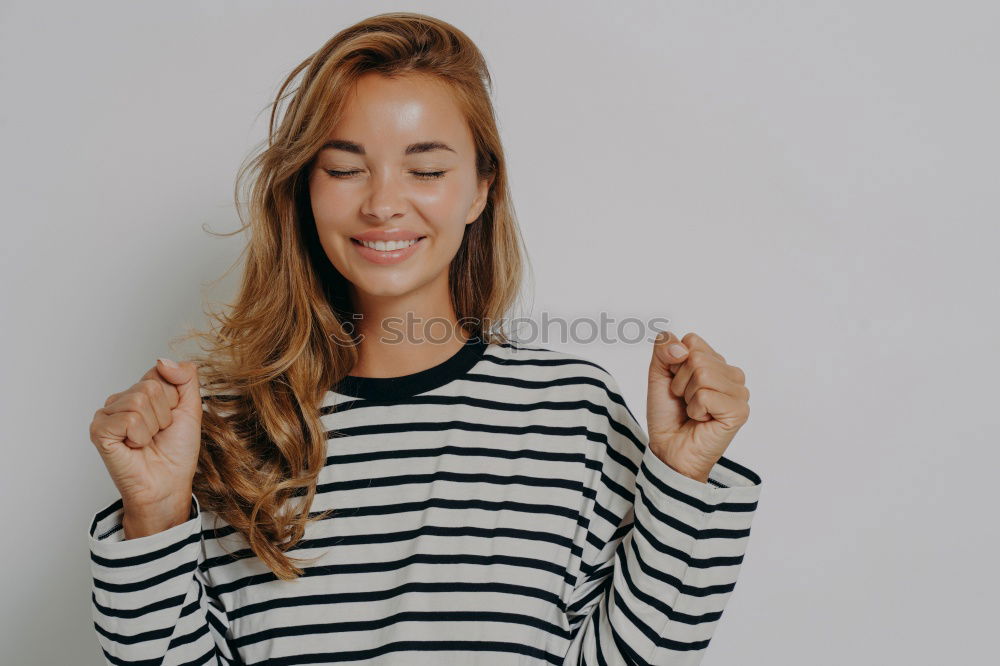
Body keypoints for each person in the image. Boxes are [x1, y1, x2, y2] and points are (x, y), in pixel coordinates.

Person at [86, 11, 762, 666]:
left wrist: (681, 476)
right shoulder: (224, 426)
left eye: (427, 169)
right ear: (303, 189)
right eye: (345, 167)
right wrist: (155, 512)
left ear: (479, 191)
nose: (382, 203)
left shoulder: (571, 411)